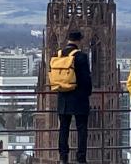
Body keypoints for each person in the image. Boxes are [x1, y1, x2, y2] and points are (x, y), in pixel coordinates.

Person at [57, 30, 92, 164]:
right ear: (79, 40)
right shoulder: (81, 56)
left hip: (63, 99)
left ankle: (63, 157)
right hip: (79, 99)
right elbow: (86, 79)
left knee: (63, 128)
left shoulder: (58, 55)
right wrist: (87, 93)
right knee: (82, 129)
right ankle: (81, 158)